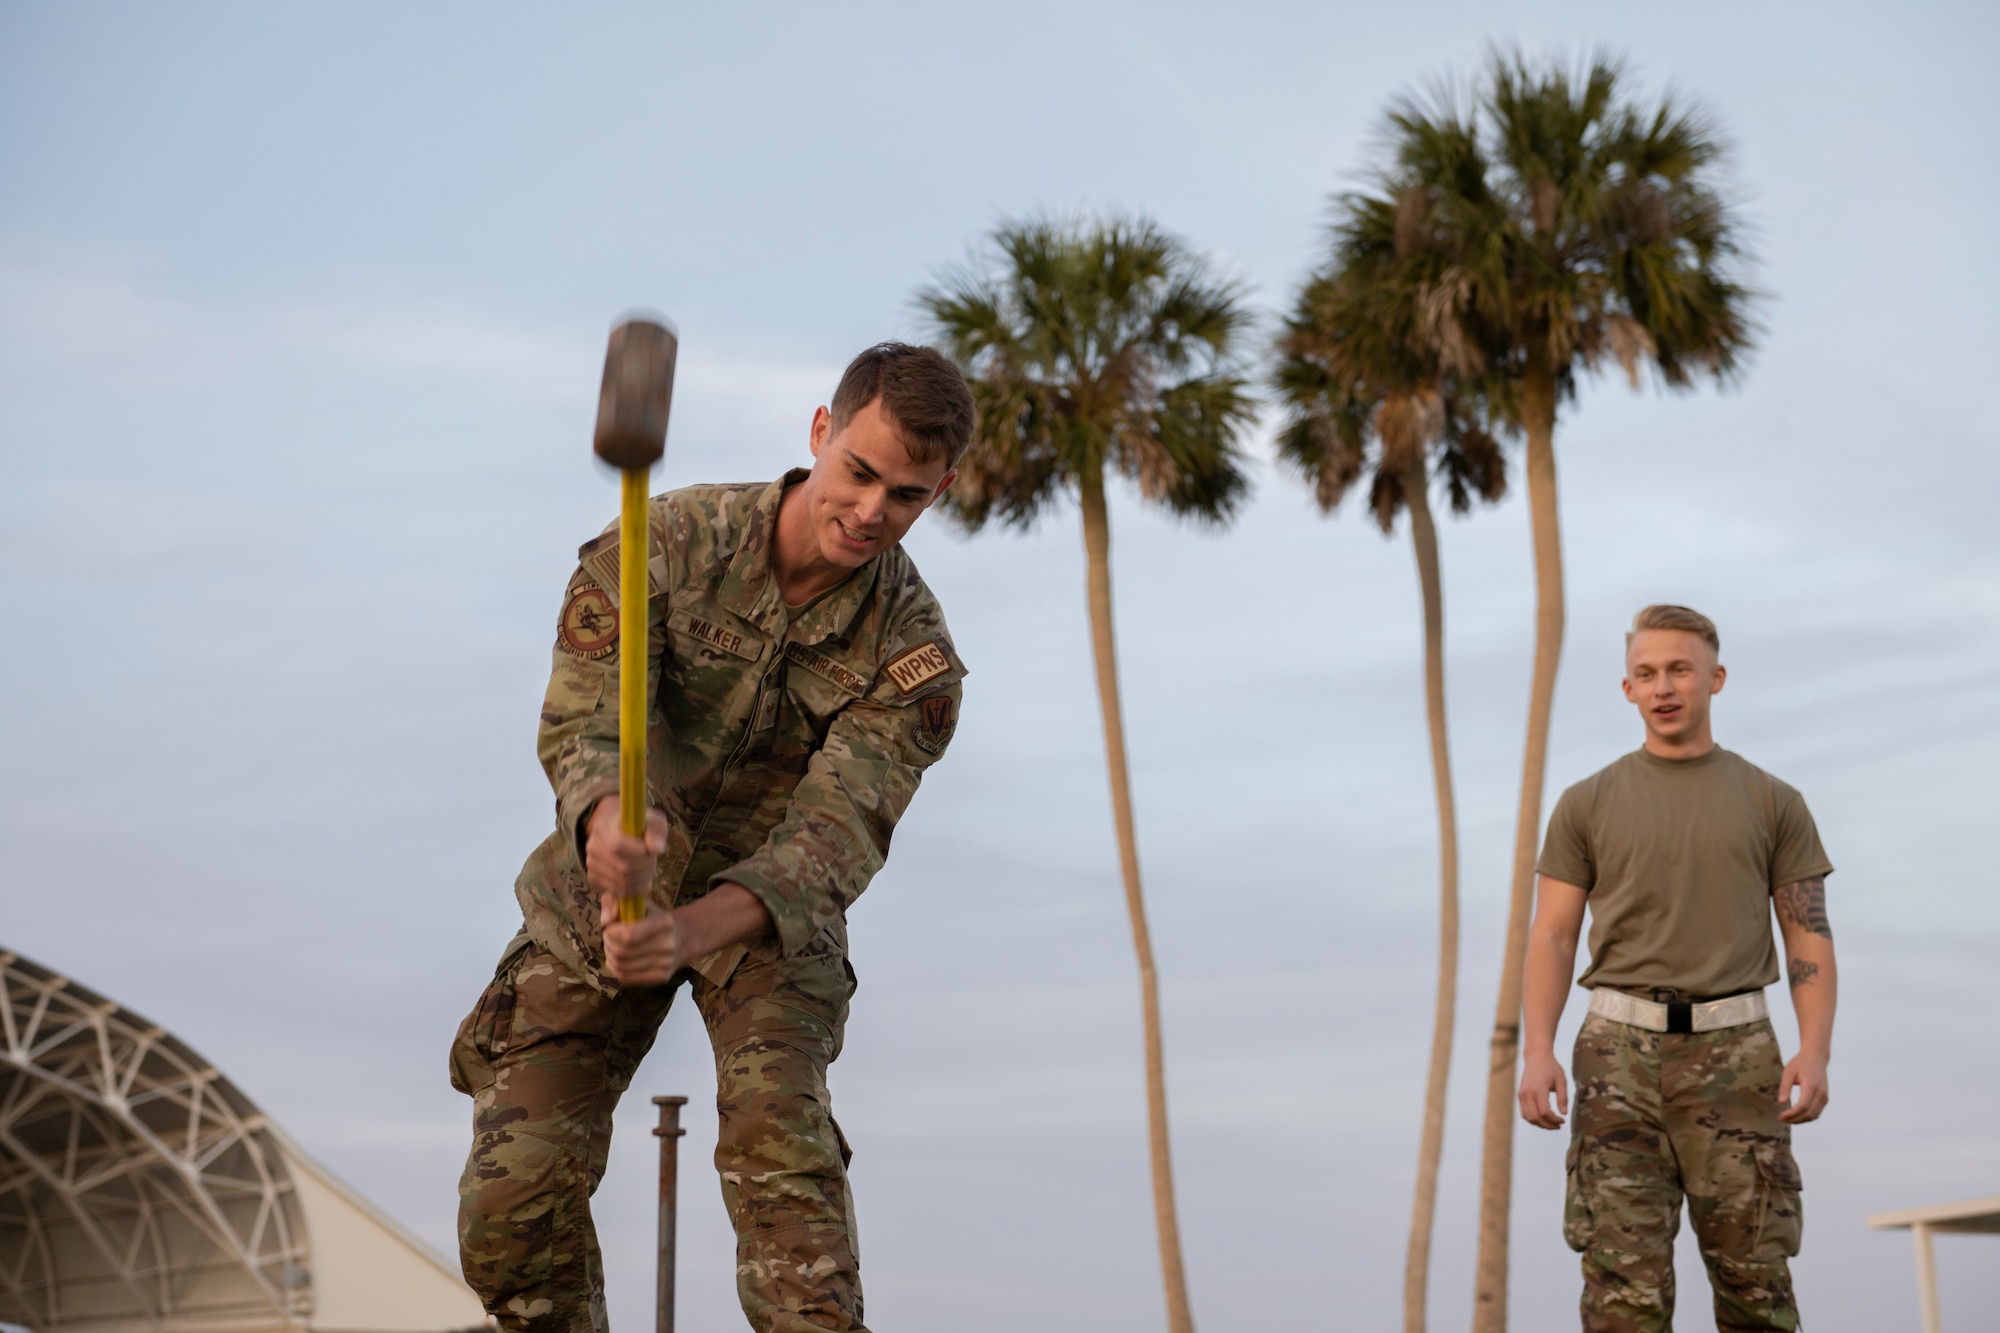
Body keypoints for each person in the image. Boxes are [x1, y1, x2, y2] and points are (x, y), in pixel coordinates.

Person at [449, 342, 976, 1333]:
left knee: (786, 1165)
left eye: (904, 496)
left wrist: (690, 933)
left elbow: (829, 841)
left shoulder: (913, 662)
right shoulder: (665, 546)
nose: (870, 512)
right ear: (820, 433)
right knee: (508, 1205)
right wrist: (607, 823)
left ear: (938, 492)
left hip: (764, 921)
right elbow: (586, 717)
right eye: (859, 473)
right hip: (610, 886)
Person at [1518, 604, 1838, 1332]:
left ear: (1715, 678)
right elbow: (1554, 935)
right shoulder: (1585, 803)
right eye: (1646, 672)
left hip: (1738, 1054)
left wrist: (1813, 1050)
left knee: (1755, 1281)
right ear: (1627, 688)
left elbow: (1809, 939)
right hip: (1615, 1059)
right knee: (1620, 1295)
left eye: (1680, 669)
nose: (1663, 686)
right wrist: (1538, 1049)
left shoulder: (1773, 801)